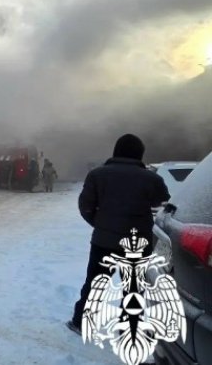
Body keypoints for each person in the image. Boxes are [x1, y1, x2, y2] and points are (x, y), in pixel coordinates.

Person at [66, 133, 171, 335]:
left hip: (103, 242)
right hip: (138, 245)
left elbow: (85, 206)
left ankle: (81, 322)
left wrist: (100, 224)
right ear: (140, 155)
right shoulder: (153, 179)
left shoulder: (97, 175)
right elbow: (163, 202)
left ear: (116, 151)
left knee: (95, 283)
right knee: (133, 289)